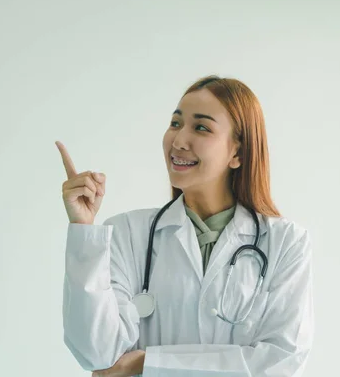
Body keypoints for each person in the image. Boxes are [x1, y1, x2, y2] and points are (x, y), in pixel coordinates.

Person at [56, 75, 314, 377]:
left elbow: (280, 362)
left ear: (238, 153)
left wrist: (146, 363)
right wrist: (84, 229)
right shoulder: (127, 234)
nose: (178, 141)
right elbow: (96, 352)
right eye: (175, 124)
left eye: (201, 127)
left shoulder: (286, 243)